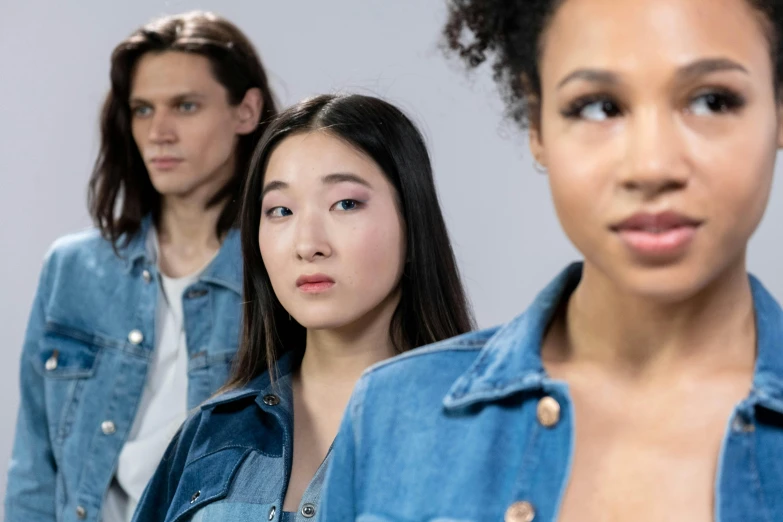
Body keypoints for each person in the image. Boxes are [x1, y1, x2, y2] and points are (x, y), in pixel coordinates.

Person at [320, 0, 783, 520]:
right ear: (537, 124)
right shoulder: (393, 413)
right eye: (598, 106)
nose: (653, 166)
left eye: (713, 101)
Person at [130, 93, 475, 522]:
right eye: (280, 210)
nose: (308, 244)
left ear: (412, 221)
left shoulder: (481, 429)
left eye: (345, 204)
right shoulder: (210, 433)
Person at [5, 11, 278, 522]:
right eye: (142, 109)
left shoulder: (279, 270)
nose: (159, 132)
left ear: (247, 111)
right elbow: (34, 473)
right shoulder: (73, 269)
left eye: (186, 106)